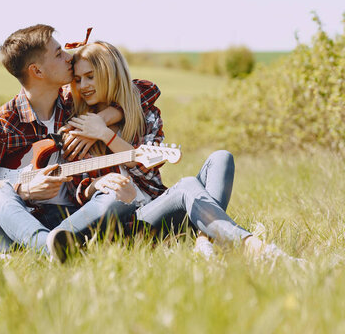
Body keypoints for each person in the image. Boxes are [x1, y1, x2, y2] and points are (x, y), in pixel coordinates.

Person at [46, 41, 299, 262]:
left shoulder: (144, 114)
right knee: (188, 183)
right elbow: (76, 188)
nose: (83, 85)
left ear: (109, 74)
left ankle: (204, 239)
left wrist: (106, 133)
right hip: (130, 222)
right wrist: (98, 183)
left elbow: (148, 166)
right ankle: (253, 248)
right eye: (78, 80)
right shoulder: (76, 126)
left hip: (159, 210)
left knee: (221, 157)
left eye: (90, 76)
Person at [0, 25, 160, 264]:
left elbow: (145, 89)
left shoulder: (73, 106)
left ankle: (33, 257)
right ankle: (49, 249)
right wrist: (24, 191)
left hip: (71, 219)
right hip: (18, 222)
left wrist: (102, 119)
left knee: (119, 196)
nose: (69, 57)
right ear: (37, 71)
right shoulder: (1, 125)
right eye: (58, 53)